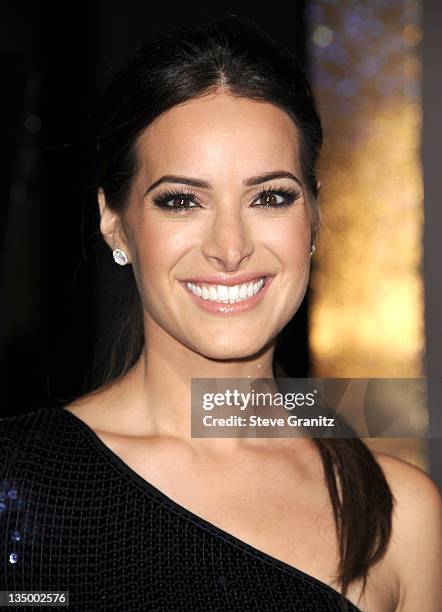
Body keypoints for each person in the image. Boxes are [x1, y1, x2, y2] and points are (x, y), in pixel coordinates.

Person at [1, 14, 441, 612]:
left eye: (270, 197)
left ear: (313, 216)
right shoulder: (16, 482)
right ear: (115, 220)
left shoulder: (402, 516)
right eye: (182, 201)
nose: (230, 248)